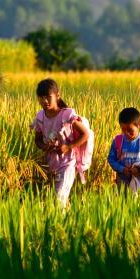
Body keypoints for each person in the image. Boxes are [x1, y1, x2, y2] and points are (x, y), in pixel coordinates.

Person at [31, 78, 91, 207]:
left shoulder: (67, 115)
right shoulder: (40, 116)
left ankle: (59, 225)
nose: (45, 101)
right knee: (55, 200)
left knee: (58, 200)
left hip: (67, 164)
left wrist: (68, 147)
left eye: (48, 97)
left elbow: (85, 134)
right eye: (41, 97)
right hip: (50, 165)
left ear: (57, 96)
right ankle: (66, 222)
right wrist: (44, 147)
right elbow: (37, 139)